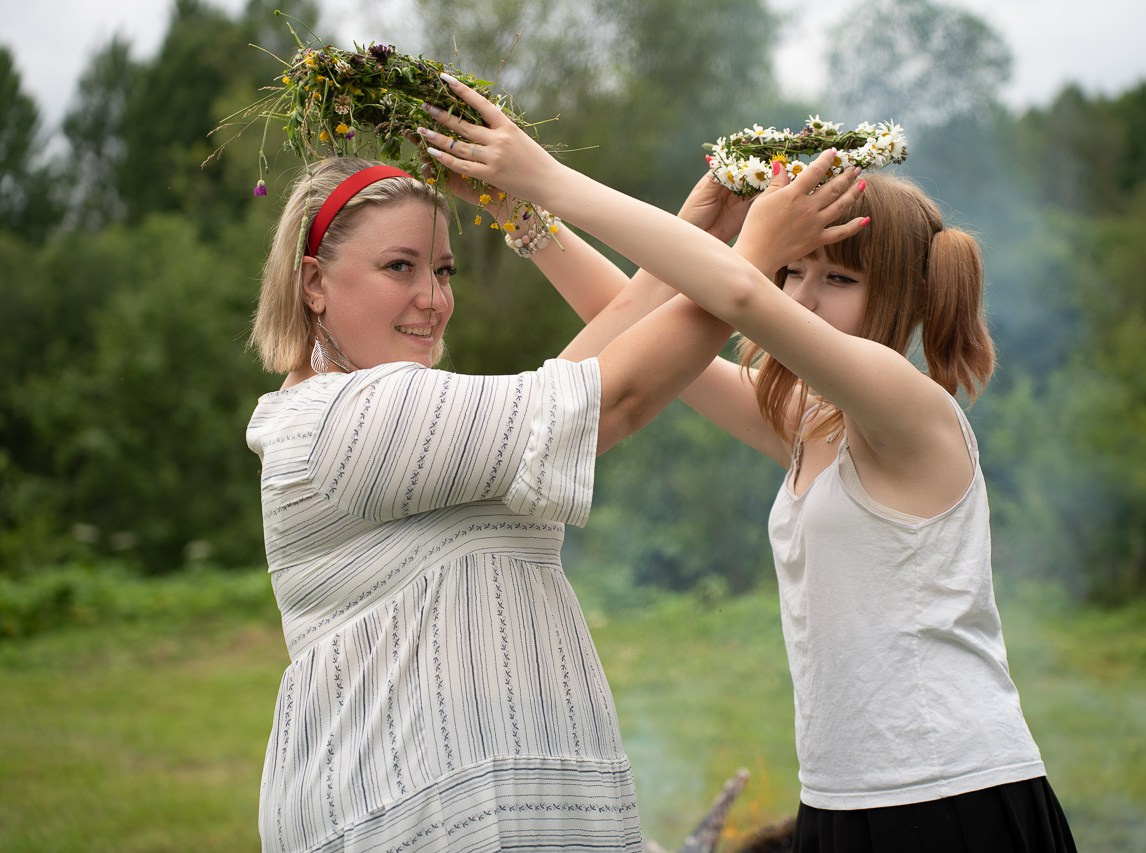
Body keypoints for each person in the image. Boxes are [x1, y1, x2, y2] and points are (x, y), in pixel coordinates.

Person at [427, 80, 1078, 851]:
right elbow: (656, 330)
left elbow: (736, 288)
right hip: (843, 800)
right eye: (794, 272)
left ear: (899, 295)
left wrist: (548, 175)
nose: (801, 298)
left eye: (838, 279)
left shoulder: (911, 410)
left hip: (950, 798)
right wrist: (524, 217)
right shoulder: (813, 425)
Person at [244, 72, 867, 851]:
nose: (433, 298)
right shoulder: (352, 414)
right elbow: (615, 397)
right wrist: (751, 259)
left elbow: (575, 382)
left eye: (443, 271)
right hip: (409, 817)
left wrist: (694, 237)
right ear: (313, 285)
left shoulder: (397, 419)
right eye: (399, 267)